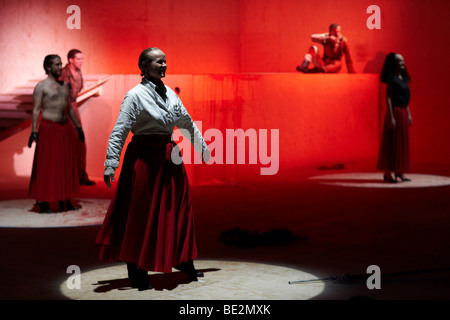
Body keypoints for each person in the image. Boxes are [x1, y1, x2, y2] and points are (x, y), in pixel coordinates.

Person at [96, 47, 210, 291]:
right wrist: (110, 163)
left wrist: (202, 148)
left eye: (165, 61)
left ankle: (182, 259)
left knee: (178, 210)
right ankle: (137, 267)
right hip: (145, 159)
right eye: (159, 62)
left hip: (169, 157)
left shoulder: (170, 93)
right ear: (144, 66)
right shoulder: (134, 95)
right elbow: (120, 130)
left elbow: (186, 122)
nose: (164, 65)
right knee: (141, 213)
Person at [28, 54, 85, 213]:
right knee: (48, 166)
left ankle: (65, 200)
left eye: (60, 64)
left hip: (64, 128)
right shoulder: (42, 86)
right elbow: (36, 110)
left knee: (64, 165)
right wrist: (34, 131)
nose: (60, 67)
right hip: (49, 128)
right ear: (48, 67)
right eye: (57, 64)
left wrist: (78, 128)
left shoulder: (64, 86)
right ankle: (44, 202)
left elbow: (70, 110)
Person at [60, 49, 95, 186]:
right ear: (70, 60)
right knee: (64, 143)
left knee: (80, 142)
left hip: (72, 107)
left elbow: (77, 90)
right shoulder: (63, 73)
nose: (81, 62)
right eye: (78, 59)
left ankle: (81, 176)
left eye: (82, 59)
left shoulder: (79, 72)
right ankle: (65, 177)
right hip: (62, 108)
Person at [376, 53, 412, 183]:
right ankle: (387, 173)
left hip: (402, 111)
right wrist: (391, 116)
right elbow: (389, 98)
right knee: (392, 142)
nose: (402, 64)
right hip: (395, 112)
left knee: (401, 142)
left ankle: (400, 172)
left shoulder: (403, 78)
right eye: (399, 62)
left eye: (403, 61)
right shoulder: (392, 79)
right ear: (394, 64)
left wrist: (408, 113)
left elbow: (406, 99)